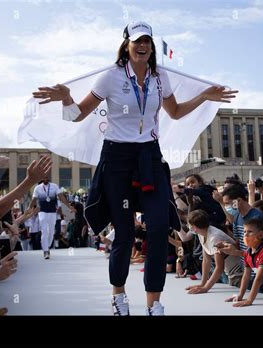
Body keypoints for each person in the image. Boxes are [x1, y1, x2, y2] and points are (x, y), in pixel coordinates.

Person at [32, 21, 237, 315]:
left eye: (147, 42)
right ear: (126, 44)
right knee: (125, 233)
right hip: (117, 158)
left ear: (152, 47)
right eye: (137, 41)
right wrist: (65, 97)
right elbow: (77, 116)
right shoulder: (111, 77)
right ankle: (119, 297)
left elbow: (175, 112)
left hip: (149, 156)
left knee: (157, 227)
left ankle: (154, 304)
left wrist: (204, 96)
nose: (143, 46)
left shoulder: (159, 77)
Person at [185, 210, 243, 295]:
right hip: (229, 273)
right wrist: (203, 283)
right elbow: (206, 260)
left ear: (195, 227)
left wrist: (206, 288)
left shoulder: (215, 237)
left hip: (238, 274)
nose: (189, 227)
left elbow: (219, 267)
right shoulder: (201, 233)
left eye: (190, 225)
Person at [30, 175, 75, 259]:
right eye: (43, 177)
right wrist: (29, 209)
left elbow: (61, 197)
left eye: (46, 177)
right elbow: (34, 200)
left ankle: (47, 245)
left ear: (48, 178)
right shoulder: (37, 188)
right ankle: (46, 251)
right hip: (42, 212)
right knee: (44, 231)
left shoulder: (54, 186)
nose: (45, 179)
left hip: (52, 212)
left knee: (51, 232)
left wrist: (69, 206)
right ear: (41, 178)